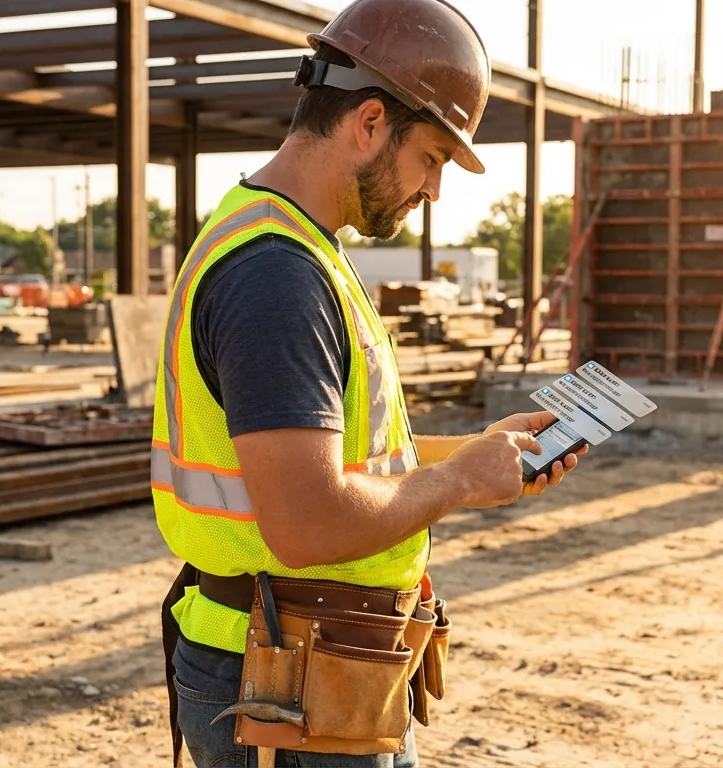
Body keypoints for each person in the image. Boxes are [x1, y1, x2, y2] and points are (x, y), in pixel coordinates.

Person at [151, 1, 585, 766]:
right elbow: (308, 522)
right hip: (284, 682)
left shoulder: (295, 247)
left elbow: (349, 456)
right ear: (371, 121)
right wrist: (455, 482)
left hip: (311, 665)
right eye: (434, 158)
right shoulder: (276, 277)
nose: (434, 191)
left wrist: (482, 452)